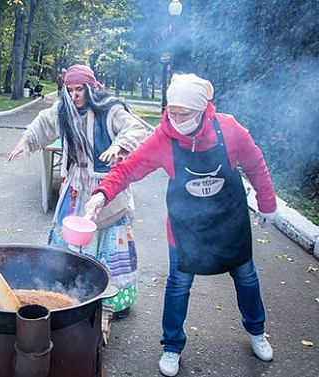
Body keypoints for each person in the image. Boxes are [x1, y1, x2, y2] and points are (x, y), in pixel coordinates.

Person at [85, 73, 277, 376]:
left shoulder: (230, 130)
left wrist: (268, 204)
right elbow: (128, 169)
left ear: (202, 109)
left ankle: (257, 331)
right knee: (177, 286)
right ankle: (172, 346)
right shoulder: (164, 137)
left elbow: (255, 164)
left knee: (246, 278)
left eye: (183, 114)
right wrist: (101, 194)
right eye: (170, 112)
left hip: (229, 223)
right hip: (185, 228)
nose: (175, 119)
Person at [8, 64, 147, 326]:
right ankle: (68, 292)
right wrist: (27, 141)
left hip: (108, 186)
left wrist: (120, 145)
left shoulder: (110, 109)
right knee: (69, 235)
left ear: (91, 87)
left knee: (108, 239)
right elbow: (44, 122)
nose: (75, 96)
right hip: (75, 185)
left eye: (79, 90)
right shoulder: (65, 110)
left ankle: (112, 301)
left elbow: (137, 129)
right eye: (69, 90)